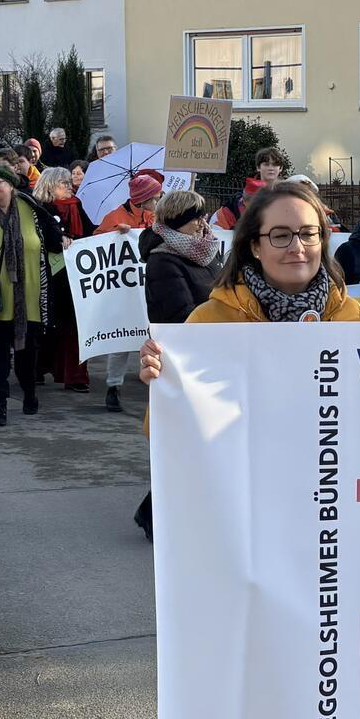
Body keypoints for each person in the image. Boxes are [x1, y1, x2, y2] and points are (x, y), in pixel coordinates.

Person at [133, 180, 360, 719]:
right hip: (254, 538)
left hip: (332, 536)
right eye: (282, 235)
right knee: (282, 690)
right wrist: (161, 382)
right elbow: (170, 441)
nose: (298, 246)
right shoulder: (211, 323)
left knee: (303, 690)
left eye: (309, 233)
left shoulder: (354, 319)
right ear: (253, 247)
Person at [130, 188, 224, 541]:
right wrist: (219, 318)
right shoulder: (163, 261)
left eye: (202, 215)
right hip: (183, 360)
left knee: (202, 443)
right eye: (195, 217)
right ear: (177, 222)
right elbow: (178, 316)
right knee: (188, 443)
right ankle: (152, 514)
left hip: (212, 355)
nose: (202, 223)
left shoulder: (207, 251)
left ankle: (160, 512)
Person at [0, 162, 63, 426]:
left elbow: (55, 240)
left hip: (29, 298)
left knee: (26, 356)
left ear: (10, 185)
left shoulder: (32, 209)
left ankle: (29, 393)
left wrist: (64, 239)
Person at [91, 170, 163, 410]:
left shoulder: (157, 216)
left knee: (154, 340)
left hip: (148, 287)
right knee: (121, 339)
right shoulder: (114, 217)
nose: (159, 200)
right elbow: (96, 244)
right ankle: (114, 387)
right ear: (144, 199)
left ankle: (157, 385)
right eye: (156, 197)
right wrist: (114, 234)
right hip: (123, 290)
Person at [37, 166, 95, 394]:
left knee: (74, 326)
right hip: (48, 277)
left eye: (70, 182)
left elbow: (91, 231)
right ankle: (39, 368)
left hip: (75, 275)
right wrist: (58, 238)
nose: (70, 187)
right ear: (50, 185)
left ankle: (74, 375)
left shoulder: (76, 205)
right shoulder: (40, 208)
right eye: (64, 183)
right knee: (47, 325)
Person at [215, 147, 287, 231]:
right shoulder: (240, 199)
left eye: (275, 164)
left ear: (280, 168)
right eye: (266, 164)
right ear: (258, 167)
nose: (271, 168)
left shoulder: (288, 194)